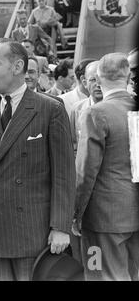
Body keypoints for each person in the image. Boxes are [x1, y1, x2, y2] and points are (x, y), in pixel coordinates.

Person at [0, 39, 75, 281]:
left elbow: (64, 174)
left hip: (34, 232)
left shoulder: (50, 109)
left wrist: (61, 227)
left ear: (16, 67)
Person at [74, 53, 139, 281]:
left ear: (98, 79)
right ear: (128, 76)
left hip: (103, 216)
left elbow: (85, 171)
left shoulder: (96, 113)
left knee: (99, 273)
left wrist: (75, 213)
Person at [69, 60, 103, 155]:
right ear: (84, 82)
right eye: (93, 80)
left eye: (101, 79)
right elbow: (73, 144)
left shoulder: (117, 107)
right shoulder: (76, 109)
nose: (98, 84)